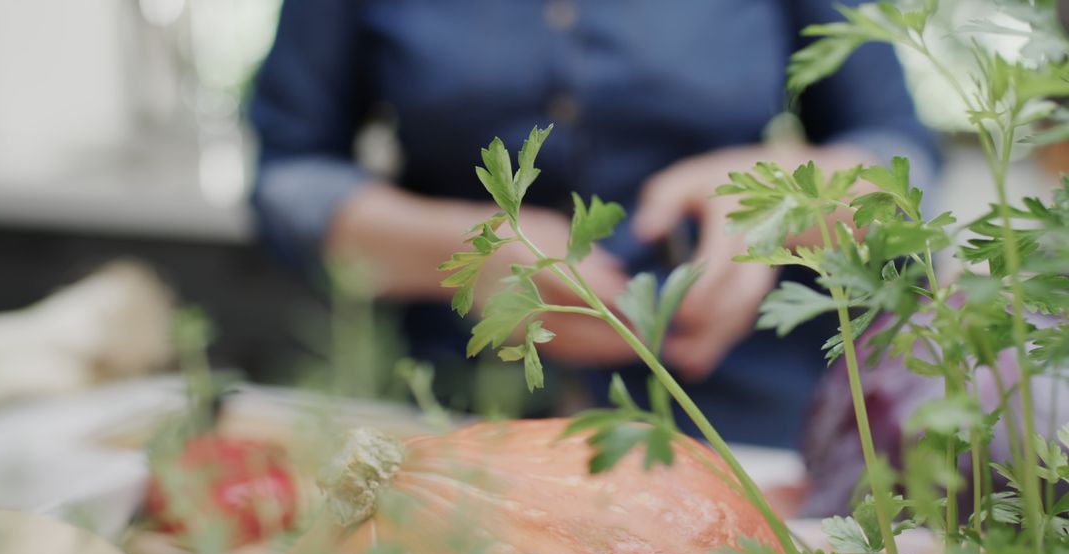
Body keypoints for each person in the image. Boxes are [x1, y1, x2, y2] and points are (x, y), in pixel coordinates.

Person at [249, 0, 937, 448]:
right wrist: (465, 252)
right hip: (460, 414)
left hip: (749, 423)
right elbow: (286, 176)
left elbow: (903, 153)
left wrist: (787, 198)